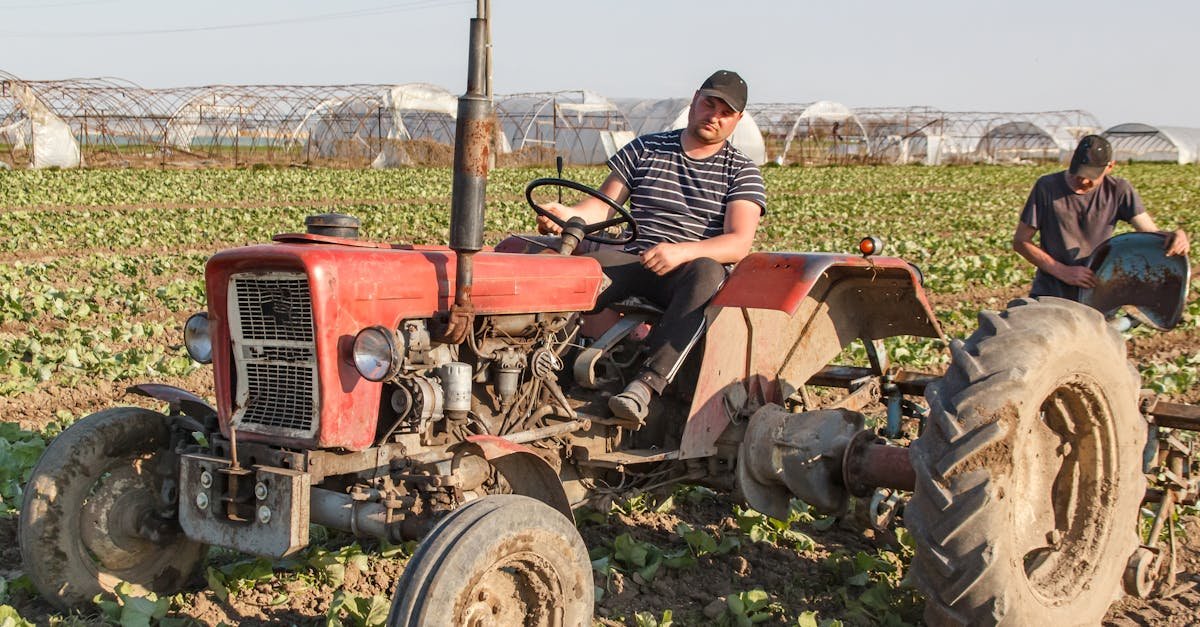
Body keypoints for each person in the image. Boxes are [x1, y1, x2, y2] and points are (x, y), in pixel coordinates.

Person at [535, 70, 767, 428]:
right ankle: (544, 364)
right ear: (694, 101)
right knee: (575, 272)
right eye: (709, 104)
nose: (714, 116)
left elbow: (738, 241)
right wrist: (567, 215)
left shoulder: (741, 171)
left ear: (736, 121)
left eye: (725, 112)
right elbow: (598, 209)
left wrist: (683, 252)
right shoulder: (646, 149)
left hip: (688, 272)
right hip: (636, 257)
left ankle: (645, 385)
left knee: (709, 272)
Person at [1013, 134, 1189, 301]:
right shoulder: (1047, 187)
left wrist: (1176, 236)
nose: (1083, 182)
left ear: (1110, 166)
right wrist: (1063, 271)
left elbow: (1151, 236)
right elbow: (1021, 241)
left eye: (1091, 177)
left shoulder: (1119, 190)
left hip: (1097, 293)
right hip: (1049, 293)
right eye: (1079, 174)